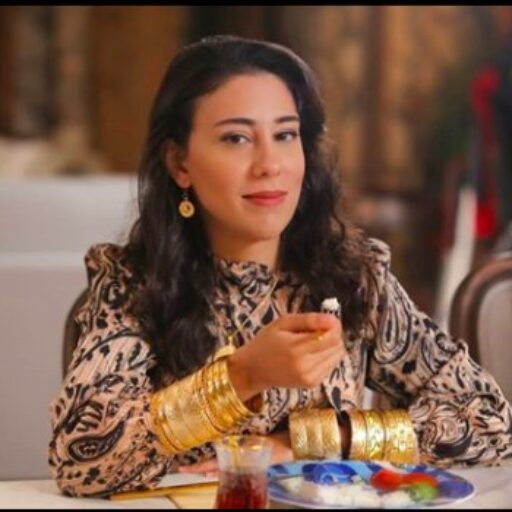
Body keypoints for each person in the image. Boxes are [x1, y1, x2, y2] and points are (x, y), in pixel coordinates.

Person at [48, 34, 512, 498]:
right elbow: (80, 461)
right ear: (179, 163)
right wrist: (243, 376)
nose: (269, 164)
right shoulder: (133, 285)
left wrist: (308, 441)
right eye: (236, 138)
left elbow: (490, 420)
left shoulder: (353, 276)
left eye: (285, 135)